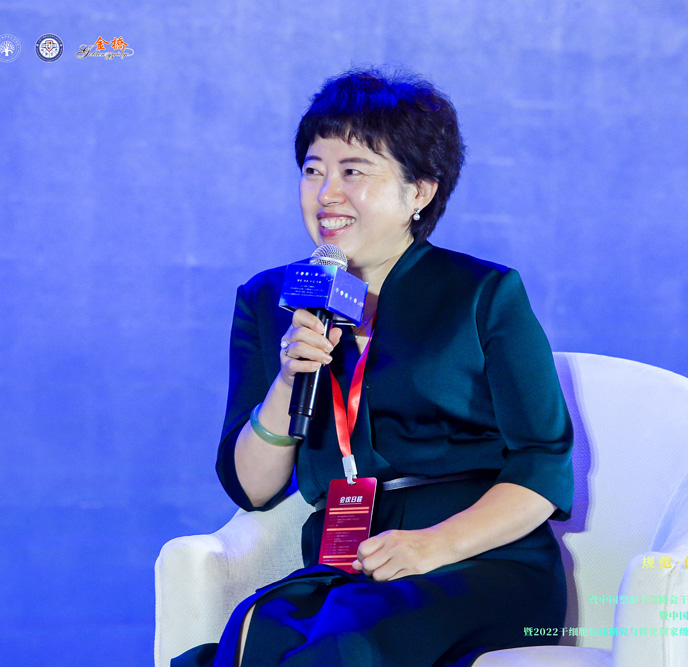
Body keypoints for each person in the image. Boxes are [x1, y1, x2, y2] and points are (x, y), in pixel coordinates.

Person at [174, 68, 574, 667]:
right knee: (260, 636)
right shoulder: (270, 299)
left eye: (354, 171)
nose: (326, 193)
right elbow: (252, 488)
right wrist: (288, 378)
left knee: (344, 645)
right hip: (347, 564)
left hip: (481, 561)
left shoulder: (483, 294)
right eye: (313, 170)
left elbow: (543, 467)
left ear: (420, 192)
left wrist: (434, 545)